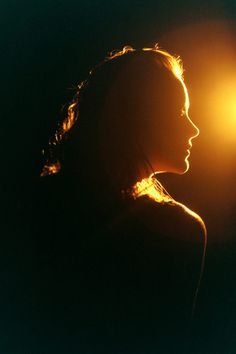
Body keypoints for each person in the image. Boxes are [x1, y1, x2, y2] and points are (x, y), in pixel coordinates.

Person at [34, 44, 207, 353]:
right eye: (180, 112)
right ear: (139, 117)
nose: (193, 129)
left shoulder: (39, 201)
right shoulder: (178, 229)